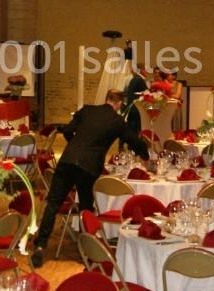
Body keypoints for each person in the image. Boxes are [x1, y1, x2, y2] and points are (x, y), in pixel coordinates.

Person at [31, 90, 150, 267]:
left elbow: (68, 130)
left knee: (53, 203)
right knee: (86, 208)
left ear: (106, 99)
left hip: (68, 160)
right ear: (119, 104)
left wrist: (75, 145)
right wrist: (145, 155)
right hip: (88, 167)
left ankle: (40, 245)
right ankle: (87, 249)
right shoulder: (117, 121)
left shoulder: (87, 110)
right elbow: (134, 141)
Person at [122, 62, 148, 134]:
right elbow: (147, 94)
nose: (147, 71)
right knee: (135, 131)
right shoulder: (139, 80)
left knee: (131, 130)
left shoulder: (134, 79)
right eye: (145, 69)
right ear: (141, 70)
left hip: (131, 108)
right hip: (136, 109)